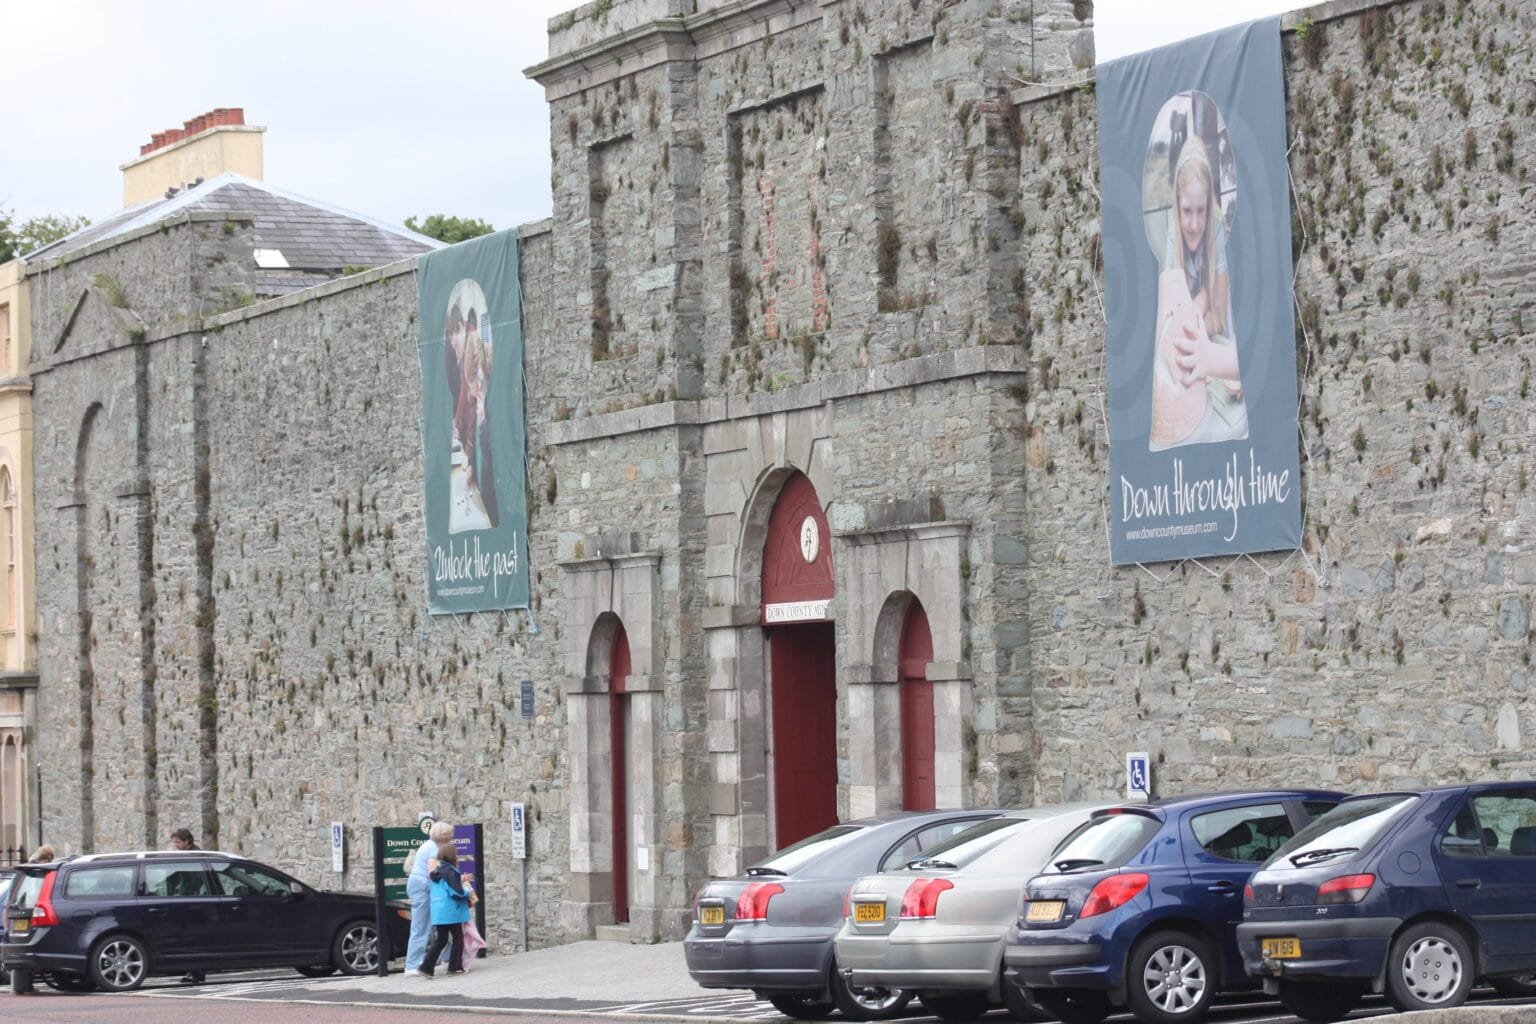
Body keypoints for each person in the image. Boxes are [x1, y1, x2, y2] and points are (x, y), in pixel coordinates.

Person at [1151, 130, 1246, 450]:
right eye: (1186, 211)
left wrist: (1197, 312)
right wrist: (1199, 303)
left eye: (1200, 210)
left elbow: (1218, 315)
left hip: (1216, 342)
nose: (1193, 223)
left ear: (1209, 207)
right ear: (1177, 207)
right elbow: (1170, 316)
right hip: (1195, 349)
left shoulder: (1215, 228)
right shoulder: (1172, 234)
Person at [405, 818, 455, 973]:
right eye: (449, 836)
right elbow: (433, 873)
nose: (451, 839)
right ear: (443, 836)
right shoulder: (433, 849)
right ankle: (412, 966)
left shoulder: (429, 845)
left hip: (419, 886)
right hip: (422, 888)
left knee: (441, 923)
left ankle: (445, 957)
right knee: (421, 927)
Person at [418, 843, 471, 978]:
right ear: (452, 857)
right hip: (451, 912)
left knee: (441, 939)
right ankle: (454, 968)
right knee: (458, 938)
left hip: (438, 912)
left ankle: (426, 968)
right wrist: (467, 891)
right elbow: (456, 892)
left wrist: (459, 880)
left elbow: (445, 887)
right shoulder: (451, 872)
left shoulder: (436, 872)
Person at [168, 828, 205, 984]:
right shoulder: (185, 856)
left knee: (194, 939)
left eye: (177, 842)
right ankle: (194, 970)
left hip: (194, 903)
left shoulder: (195, 857)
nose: (175, 845)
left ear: (187, 842)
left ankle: (196, 971)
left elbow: (196, 881)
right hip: (187, 901)